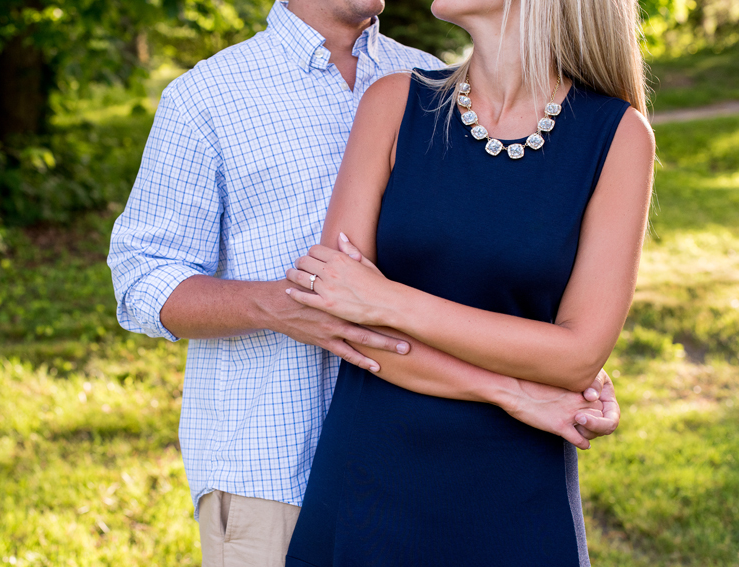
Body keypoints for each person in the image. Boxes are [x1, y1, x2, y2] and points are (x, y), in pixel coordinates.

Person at [108, 0, 622, 565]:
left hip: (445, 452)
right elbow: (141, 277)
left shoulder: (425, 80)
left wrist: (567, 367)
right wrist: (280, 306)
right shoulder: (207, 96)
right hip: (271, 474)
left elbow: (487, 268)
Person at [281, 0, 653, 563]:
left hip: (517, 496)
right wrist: (510, 388)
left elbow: (577, 356)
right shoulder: (393, 103)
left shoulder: (619, 136)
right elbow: (341, 317)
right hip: (370, 482)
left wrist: (387, 300)